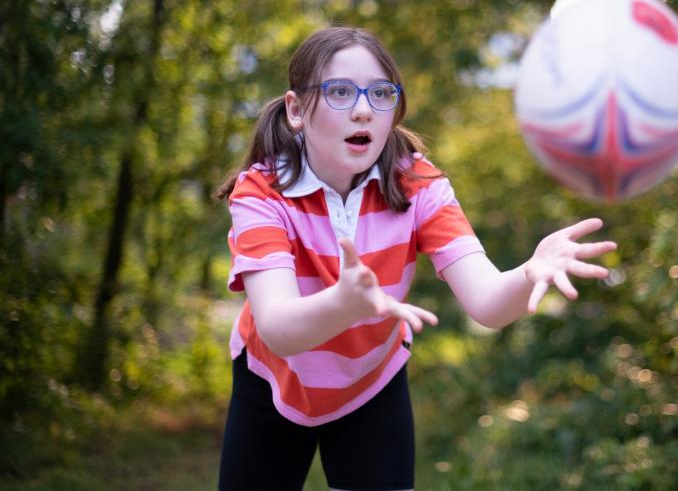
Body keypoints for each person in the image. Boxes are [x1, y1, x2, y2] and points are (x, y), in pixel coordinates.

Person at [214, 27, 616, 491]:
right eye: (340, 92)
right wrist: (344, 304)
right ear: (297, 110)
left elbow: (487, 304)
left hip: (372, 380)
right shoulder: (262, 192)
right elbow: (280, 330)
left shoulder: (418, 184)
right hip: (273, 380)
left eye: (381, 93)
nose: (363, 109)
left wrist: (528, 273)